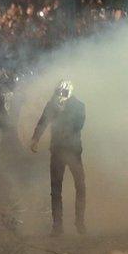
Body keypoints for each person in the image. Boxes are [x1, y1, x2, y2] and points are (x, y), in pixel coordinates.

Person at [30, 79, 86, 235]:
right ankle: (57, 225)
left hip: (73, 152)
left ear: (70, 92)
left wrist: (63, 113)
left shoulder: (79, 106)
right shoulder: (52, 105)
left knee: (80, 186)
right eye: (59, 92)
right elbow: (42, 122)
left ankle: (79, 222)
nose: (61, 95)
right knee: (55, 189)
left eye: (64, 92)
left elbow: (78, 125)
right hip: (57, 151)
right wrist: (35, 139)